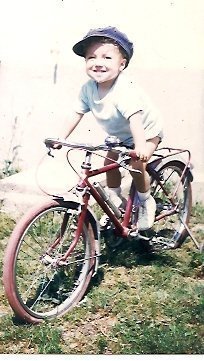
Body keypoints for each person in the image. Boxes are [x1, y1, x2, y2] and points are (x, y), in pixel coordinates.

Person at [56, 26, 163, 231]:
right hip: (120, 135)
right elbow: (76, 113)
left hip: (146, 132)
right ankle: (115, 198)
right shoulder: (88, 88)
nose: (98, 63)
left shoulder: (124, 89)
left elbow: (135, 119)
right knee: (110, 163)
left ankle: (145, 200)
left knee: (135, 164)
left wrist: (140, 146)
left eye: (106, 58)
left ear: (121, 64)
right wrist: (60, 138)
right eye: (91, 57)